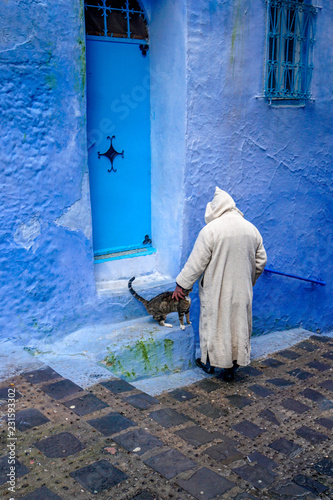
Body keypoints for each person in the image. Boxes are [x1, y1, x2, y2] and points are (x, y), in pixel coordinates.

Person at [172, 187, 267, 381]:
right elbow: (261, 261)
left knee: (215, 325)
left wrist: (181, 286)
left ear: (215, 208)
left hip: (217, 291)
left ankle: (210, 364)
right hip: (242, 290)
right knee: (238, 325)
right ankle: (234, 364)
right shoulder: (251, 229)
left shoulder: (210, 231)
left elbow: (195, 263)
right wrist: (249, 282)